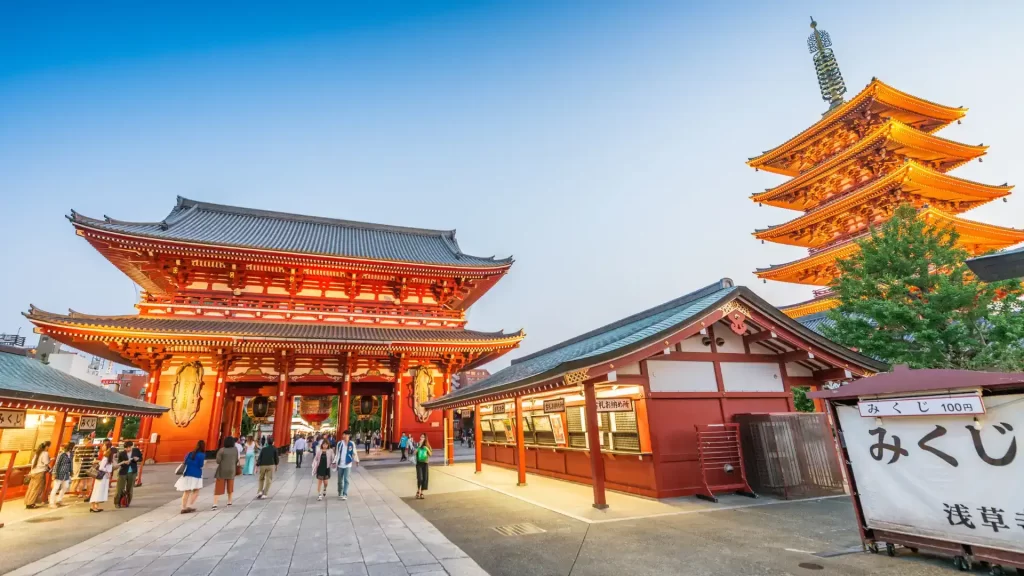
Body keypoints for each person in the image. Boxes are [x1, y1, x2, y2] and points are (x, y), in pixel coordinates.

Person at [175, 440, 205, 513]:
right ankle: (189, 505)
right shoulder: (202, 455)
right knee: (196, 490)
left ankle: (183, 507)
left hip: (187, 473)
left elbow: (185, 462)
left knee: (186, 491)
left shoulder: (189, 453)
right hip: (196, 474)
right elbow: (201, 465)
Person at [213, 436, 239, 510]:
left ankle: (215, 503)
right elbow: (236, 460)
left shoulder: (222, 450)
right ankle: (229, 501)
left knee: (218, 488)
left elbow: (218, 461)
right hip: (231, 470)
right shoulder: (235, 450)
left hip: (222, 470)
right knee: (230, 486)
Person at [115, 440, 143, 508]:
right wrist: (124, 462)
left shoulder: (136, 450)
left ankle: (127, 502)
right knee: (120, 488)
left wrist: (137, 459)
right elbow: (119, 462)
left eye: (129, 447)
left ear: (132, 446)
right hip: (123, 471)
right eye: (126, 448)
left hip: (132, 472)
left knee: (130, 488)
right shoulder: (122, 453)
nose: (128, 449)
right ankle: (117, 502)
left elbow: (141, 458)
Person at [24, 442, 51, 509]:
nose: (49, 448)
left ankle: (27, 502)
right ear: (46, 447)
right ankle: (31, 503)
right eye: (49, 446)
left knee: (31, 488)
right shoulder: (45, 453)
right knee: (36, 489)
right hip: (40, 473)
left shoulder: (37, 453)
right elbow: (46, 463)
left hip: (33, 472)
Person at [333, 429, 359, 500]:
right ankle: (340, 492)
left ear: (348, 436)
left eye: (345, 435)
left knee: (346, 479)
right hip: (340, 464)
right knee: (339, 480)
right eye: (343, 435)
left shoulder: (351, 444)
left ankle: (345, 493)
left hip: (348, 464)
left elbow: (354, 452)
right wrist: (335, 461)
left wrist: (357, 460)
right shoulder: (339, 443)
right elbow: (337, 453)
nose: (344, 436)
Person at [49, 442, 75, 508]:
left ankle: (59, 500)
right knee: (56, 488)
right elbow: (57, 464)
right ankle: (51, 502)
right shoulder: (62, 454)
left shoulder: (71, 454)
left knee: (65, 487)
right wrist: (54, 473)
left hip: (66, 473)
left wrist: (71, 471)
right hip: (59, 473)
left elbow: (71, 463)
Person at [89, 447, 114, 512]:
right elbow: (101, 468)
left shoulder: (107, 458)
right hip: (102, 477)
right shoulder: (106, 459)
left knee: (99, 491)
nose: (115, 455)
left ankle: (95, 506)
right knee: (98, 491)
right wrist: (107, 472)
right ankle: (93, 506)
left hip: (104, 477)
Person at [414, 434, 431, 500]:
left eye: (423, 437)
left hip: (425, 463)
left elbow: (430, 454)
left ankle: (421, 492)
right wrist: (419, 446)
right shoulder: (417, 444)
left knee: (424, 478)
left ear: (425, 438)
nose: (421, 438)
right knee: (420, 478)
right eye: (421, 436)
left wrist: (426, 448)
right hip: (419, 464)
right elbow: (414, 453)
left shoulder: (428, 445)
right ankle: (418, 490)